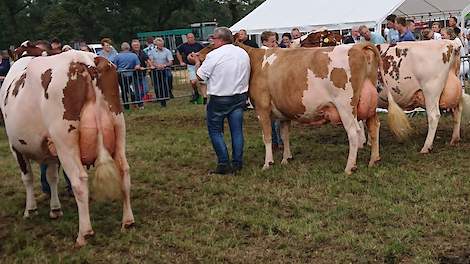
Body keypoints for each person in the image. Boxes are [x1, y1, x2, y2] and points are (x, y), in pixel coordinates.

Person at [190, 27, 250, 175]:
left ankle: (223, 163)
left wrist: (197, 61)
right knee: (237, 131)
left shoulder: (213, 55)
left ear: (221, 40)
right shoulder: (243, 53)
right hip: (239, 96)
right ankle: (237, 163)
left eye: (214, 39)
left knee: (215, 130)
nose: (212, 41)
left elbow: (200, 76)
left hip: (220, 98)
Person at [260, 31, 284, 151]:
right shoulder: (264, 54)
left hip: (270, 89)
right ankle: (276, 142)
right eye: (272, 41)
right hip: (269, 90)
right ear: (264, 42)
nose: (275, 44)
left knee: (272, 118)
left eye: (275, 41)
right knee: (273, 119)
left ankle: (276, 142)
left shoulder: (269, 53)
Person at [114, 42, 143, 109]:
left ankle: (126, 105)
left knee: (124, 89)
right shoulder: (134, 55)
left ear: (122, 48)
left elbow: (115, 66)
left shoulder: (118, 56)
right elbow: (137, 65)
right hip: (130, 74)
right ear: (129, 47)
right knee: (127, 87)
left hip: (121, 74)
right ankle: (133, 100)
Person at [176, 33, 205, 103]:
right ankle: (196, 93)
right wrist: (181, 61)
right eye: (189, 37)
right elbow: (178, 52)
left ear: (194, 38)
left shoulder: (199, 45)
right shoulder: (183, 46)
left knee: (202, 81)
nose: (190, 39)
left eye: (191, 37)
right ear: (187, 38)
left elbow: (205, 52)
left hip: (200, 66)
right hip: (191, 66)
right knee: (193, 82)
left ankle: (205, 96)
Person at [147, 37, 174, 107]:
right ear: (156, 44)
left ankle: (166, 96)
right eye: (159, 45)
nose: (160, 46)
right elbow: (151, 61)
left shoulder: (167, 51)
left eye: (161, 44)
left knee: (166, 82)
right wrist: (157, 66)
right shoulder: (152, 51)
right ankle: (159, 97)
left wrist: (164, 65)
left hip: (165, 70)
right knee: (156, 85)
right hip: (155, 70)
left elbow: (170, 61)